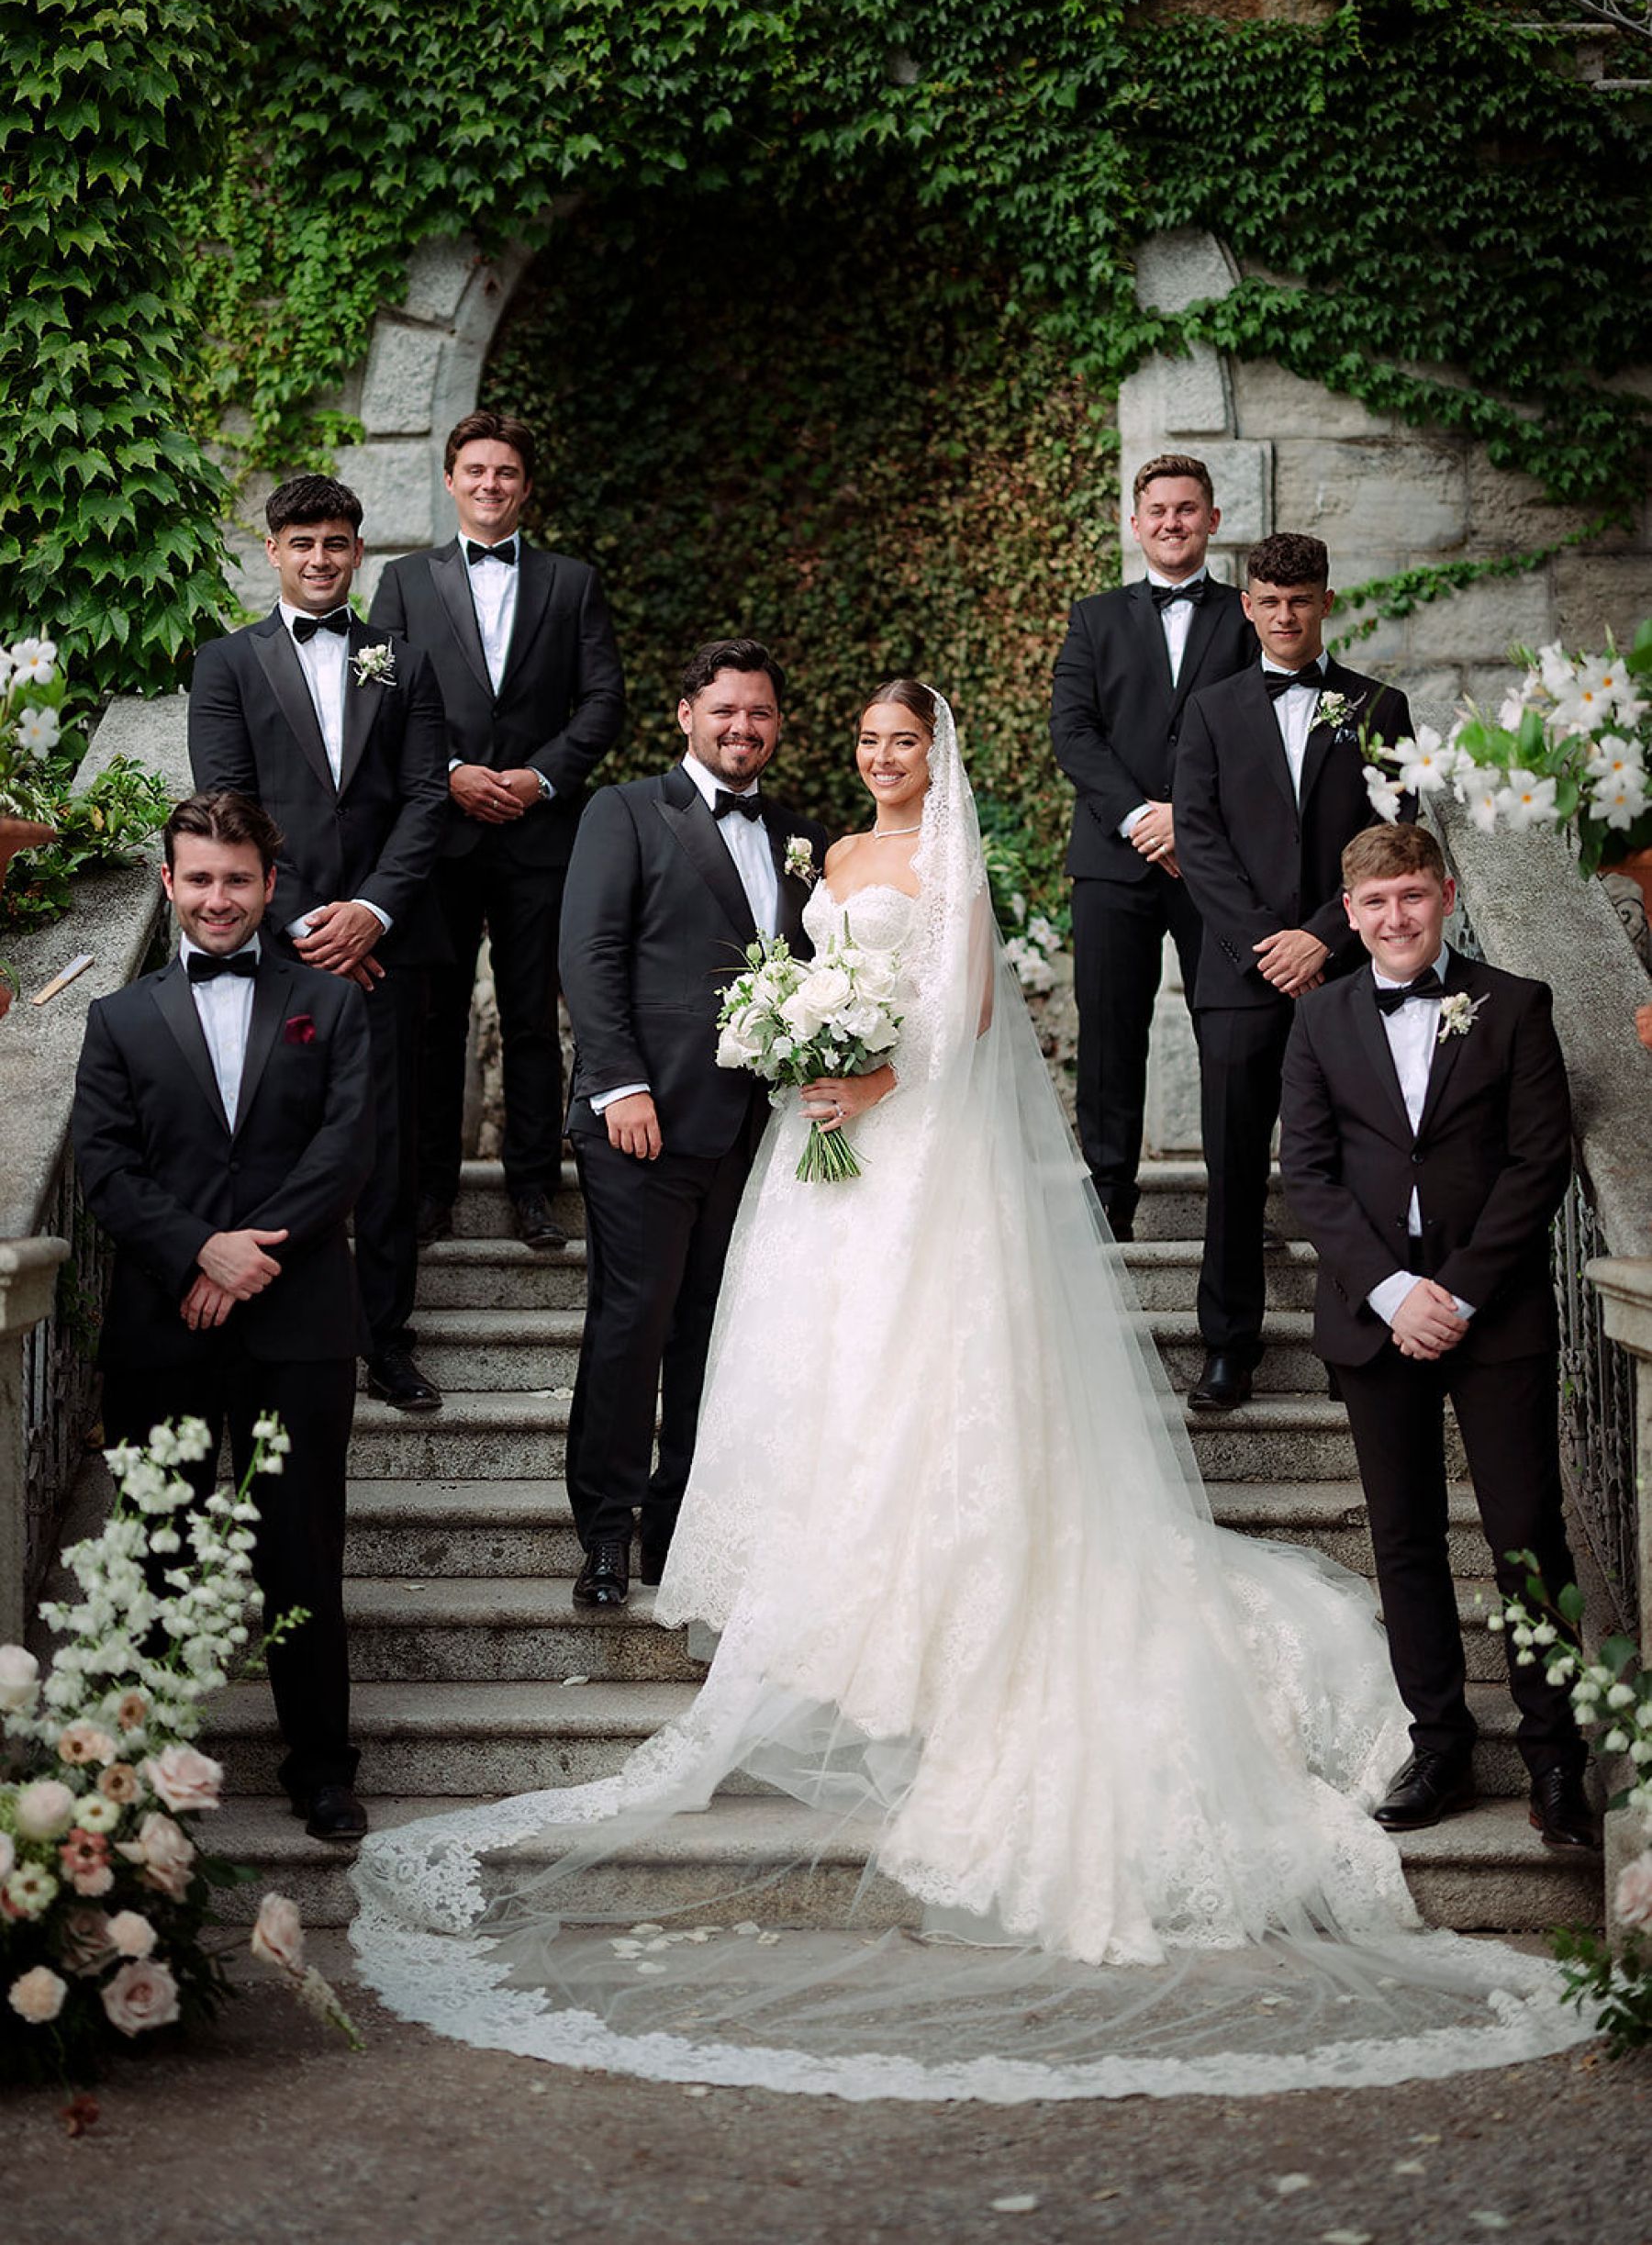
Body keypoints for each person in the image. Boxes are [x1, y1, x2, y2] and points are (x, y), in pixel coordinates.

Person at [352, 686, 1582, 2101]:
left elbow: (967, 1009)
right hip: (827, 1158)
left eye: (902, 742)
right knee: (819, 1374)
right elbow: (794, 979)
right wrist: (802, 1054)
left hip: (923, 1145)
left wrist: (870, 1073)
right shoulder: (825, 857)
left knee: (926, 1372)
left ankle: (969, 1618)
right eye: (866, 740)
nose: (881, 758)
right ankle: (844, 1598)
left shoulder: (951, 862)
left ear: (934, 755)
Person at [1279, 821, 1595, 1849]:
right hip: (1376, 1318)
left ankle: (1556, 1760)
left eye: (1412, 896)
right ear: (1350, 910)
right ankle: (1441, 1744)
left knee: (1526, 1536)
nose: (1395, 917)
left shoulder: (1514, 1005)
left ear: (1446, 895)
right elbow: (1311, 1176)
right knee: (1405, 1539)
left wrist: (1453, 1289)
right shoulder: (1321, 1018)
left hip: (1492, 1312)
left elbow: (1536, 1164)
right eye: (1374, 903)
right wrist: (1390, 1290)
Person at [72, 793, 374, 1840]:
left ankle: (323, 1767)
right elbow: (105, 1168)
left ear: (269, 885)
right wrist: (198, 1248)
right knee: (156, 1549)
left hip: (301, 1327)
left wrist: (244, 1259)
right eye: (198, 878)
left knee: (301, 1548)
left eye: (236, 878)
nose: (217, 896)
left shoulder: (331, 1006)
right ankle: (148, 1760)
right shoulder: (116, 1018)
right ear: (167, 885)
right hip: (165, 1323)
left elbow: (342, 1152)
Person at [557, 637, 828, 1609]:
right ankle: (605, 1533)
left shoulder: (803, 835)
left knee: (715, 1334)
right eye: (725, 711)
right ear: (686, 714)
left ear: (777, 725)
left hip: (758, 1130)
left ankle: (679, 1530)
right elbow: (588, 954)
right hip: (645, 1119)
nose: (742, 727)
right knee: (632, 1324)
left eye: (758, 713)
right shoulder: (625, 811)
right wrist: (618, 1083)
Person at [189, 474, 451, 1417]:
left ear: (358, 551)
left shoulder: (404, 662)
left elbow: (425, 796)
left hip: (382, 946)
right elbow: (227, 805)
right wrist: (302, 921)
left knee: (380, 1148)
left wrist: (372, 911)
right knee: (270, 1140)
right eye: (302, 543)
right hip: (279, 948)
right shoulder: (226, 663)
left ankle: (388, 1340)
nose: (320, 558)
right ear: (273, 552)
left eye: (337, 542)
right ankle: (280, 1333)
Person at [370, 410, 625, 1257]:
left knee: (531, 1016)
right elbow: (380, 696)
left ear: (525, 485)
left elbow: (602, 702)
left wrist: (538, 777)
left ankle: (532, 1187)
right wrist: (447, 773)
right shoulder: (405, 582)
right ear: (450, 480)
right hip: (435, 839)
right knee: (434, 1020)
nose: (490, 484)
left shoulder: (572, 581)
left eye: (505, 472)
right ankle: (431, 1186)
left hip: (537, 834)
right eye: (475, 470)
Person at [1173, 532, 1415, 1415]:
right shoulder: (1209, 709)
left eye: (1300, 600)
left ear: (1325, 602)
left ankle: (1352, 1334)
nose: (1284, 615)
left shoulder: (1379, 707)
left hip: (1347, 972)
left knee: (1357, 1162)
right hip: (1239, 977)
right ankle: (1227, 1346)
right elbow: (1197, 841)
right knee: (1234, 1163)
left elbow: (1397, 839)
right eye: (1269, 601)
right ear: (1247, 604)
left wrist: (1321, 936)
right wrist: (1266, 945)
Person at [1050, 454, 1256, 1236]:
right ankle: (1110, 1198)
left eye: (1187, 508)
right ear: (1134, 525)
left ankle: (1239, 1200)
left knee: (1233, 1032)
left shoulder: (1247, 618)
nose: (1172, 521)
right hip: (1112, 861)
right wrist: (1141, 816)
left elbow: (1255, 734)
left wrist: (1189, 820)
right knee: (1108, 1031)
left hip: (1220, 867)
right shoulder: (1093, 618)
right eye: (1158, 510)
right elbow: (1073, 731)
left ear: (1213, 520)